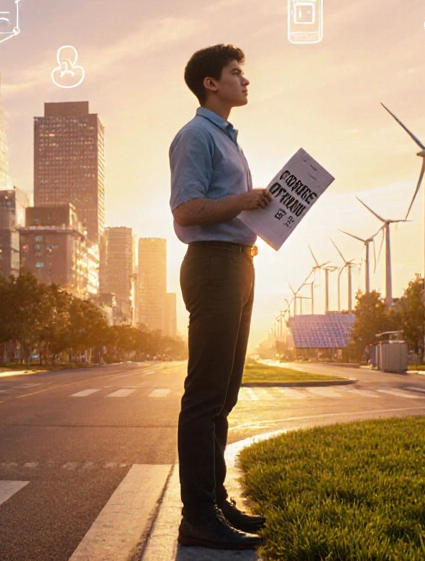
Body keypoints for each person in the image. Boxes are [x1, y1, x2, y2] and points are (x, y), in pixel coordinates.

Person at [168, 44, 271, 550]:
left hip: (238, 264)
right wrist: (243, 201)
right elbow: (187, 210)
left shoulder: (228, 140)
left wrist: (260, 212)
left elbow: (230, 208)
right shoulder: (195, 136)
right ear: (211, 82)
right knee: (205, 395)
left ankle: (216, 499)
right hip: (212, 265)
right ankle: (197, 515)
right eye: (236, 73)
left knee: (225, 396)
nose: (244, 81)